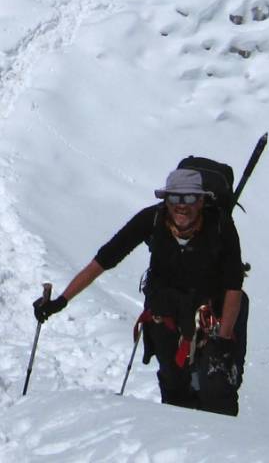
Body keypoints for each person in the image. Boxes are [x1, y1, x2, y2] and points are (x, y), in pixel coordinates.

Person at [33, 167, 247, 416]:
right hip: (166, 317)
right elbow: (103, 260)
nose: (182, 205)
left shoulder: (220, 226)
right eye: (175, 198)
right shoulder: (152, 220)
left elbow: (234, 286)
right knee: (174, 386)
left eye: (189, 197)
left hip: (212, 317)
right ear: (165, 200)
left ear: (201, 200)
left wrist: (222, 340)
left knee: (218, 387)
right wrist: (61, 301)